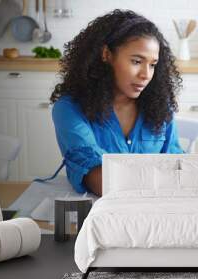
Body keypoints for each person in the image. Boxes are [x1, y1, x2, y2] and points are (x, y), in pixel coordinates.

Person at [50, 9, 184, 196]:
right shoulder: (69, 109)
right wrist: (161, 179)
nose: (146, 75)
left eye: (152, 65)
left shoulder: (160, 106)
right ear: (107, 55)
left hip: (156, 214)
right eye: (137, 61)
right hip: (98, 216)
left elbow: (179, 170)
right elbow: (100, 181)